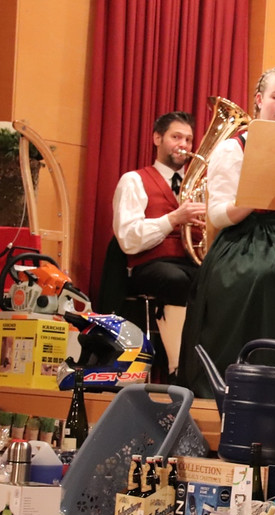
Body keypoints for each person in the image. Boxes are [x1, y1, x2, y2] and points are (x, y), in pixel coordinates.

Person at [178, 67, 275, 397]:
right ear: (259, 100)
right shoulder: (233, 149)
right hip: (244, 240)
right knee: (260, 277)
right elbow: (218, 214)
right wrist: (257, 194)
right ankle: (237, 384)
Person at [109, 111, 205, 377]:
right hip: (150, 264)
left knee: (221, 281)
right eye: (176, 137)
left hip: (189, 262)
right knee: (177, 280)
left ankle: (207, 366)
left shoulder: (197, 186)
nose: (183, 145)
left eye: (188, 139)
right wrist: (173, 219)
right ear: (157, 138)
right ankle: (179, 367)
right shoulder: (134, 180)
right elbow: (128, 238)